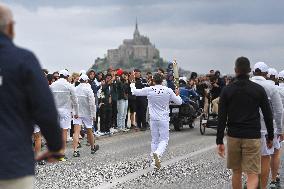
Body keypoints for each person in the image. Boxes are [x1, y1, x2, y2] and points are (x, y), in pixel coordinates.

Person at [0, 4, 62, 189]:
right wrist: (55, 146)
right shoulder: (23, 60)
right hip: (12, 161)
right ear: (10, 27)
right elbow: (45, 109)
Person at [217, 57, 274, 189]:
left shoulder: (227, 90)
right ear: (249, 71)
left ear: (235, 70)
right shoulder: (258, 90)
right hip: (252, 135)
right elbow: (267, 115)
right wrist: (270, 136)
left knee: (236, 172)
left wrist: (219, 140)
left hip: (233, 135)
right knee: (252, 173)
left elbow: (221, 117)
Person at [130, 73, 182, 169]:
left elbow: (134, 92)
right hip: (164, 118)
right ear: (162, 80)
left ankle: (153, 161)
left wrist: (132, 82)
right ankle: (157, 154)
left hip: (153, 119)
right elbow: (179, 102)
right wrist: (177, 94)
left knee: (154, 140)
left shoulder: (149, 89)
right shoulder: (168, 90)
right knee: (164, 140)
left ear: (153, 80)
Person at [251, 62, 283, 189]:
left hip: (248, 127)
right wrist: (280, 129)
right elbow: (279, 111)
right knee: (270, 156)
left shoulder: (246, 85)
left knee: (251, 158)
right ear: (266, 74)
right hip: (268, 127)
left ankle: (251, 182)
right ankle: (272, 180)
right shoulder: (271, 87)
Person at [50, 69, 79, 160]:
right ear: (67, 77)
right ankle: (61, 154)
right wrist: (76, 112)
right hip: (65, 110)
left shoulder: (52, 85)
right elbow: (75, 101)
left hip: (54, 110)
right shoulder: (69, 86)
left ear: (59, 76)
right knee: (64, 132)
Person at [73, 74, 99, 157]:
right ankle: (92, 147)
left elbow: (73, 101)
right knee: (89, 130)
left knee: (76, 132)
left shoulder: (75, 89)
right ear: (87, 80)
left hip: (77, 112)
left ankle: (75, 151)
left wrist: (74, 112)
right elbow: (92, 103)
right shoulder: (88, 89)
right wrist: (93, 114)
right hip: (87, 113)